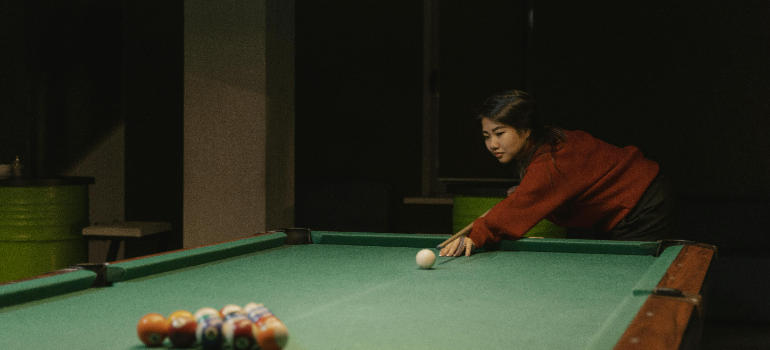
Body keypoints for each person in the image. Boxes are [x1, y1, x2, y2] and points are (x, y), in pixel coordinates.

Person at [440, 90, 678, 257]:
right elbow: (543, 193)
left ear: (525, 131)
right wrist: (529, 193)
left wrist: (475, 236)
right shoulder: (546, 143)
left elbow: (521, 207)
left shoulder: (552, 160)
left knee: (627, 278)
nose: (492, 144)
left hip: (644, 203)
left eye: (499, 133)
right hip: (635, 199)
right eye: (486, 136)